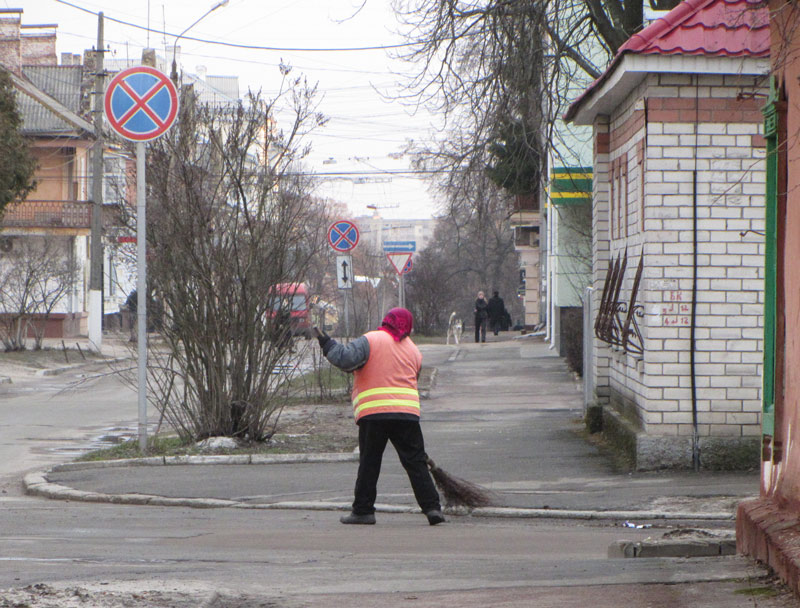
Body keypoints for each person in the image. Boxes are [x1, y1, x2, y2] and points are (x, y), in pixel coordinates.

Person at [315, 308, 445, 526]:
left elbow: (345, 360)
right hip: (407, 414)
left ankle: (363, 510)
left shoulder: (371, 340)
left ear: (387, 321)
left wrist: (326, 343)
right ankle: (432, 508)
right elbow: (413, 377)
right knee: (416, 462)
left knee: (370, 462)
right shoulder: (413, 350)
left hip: (374, 412)